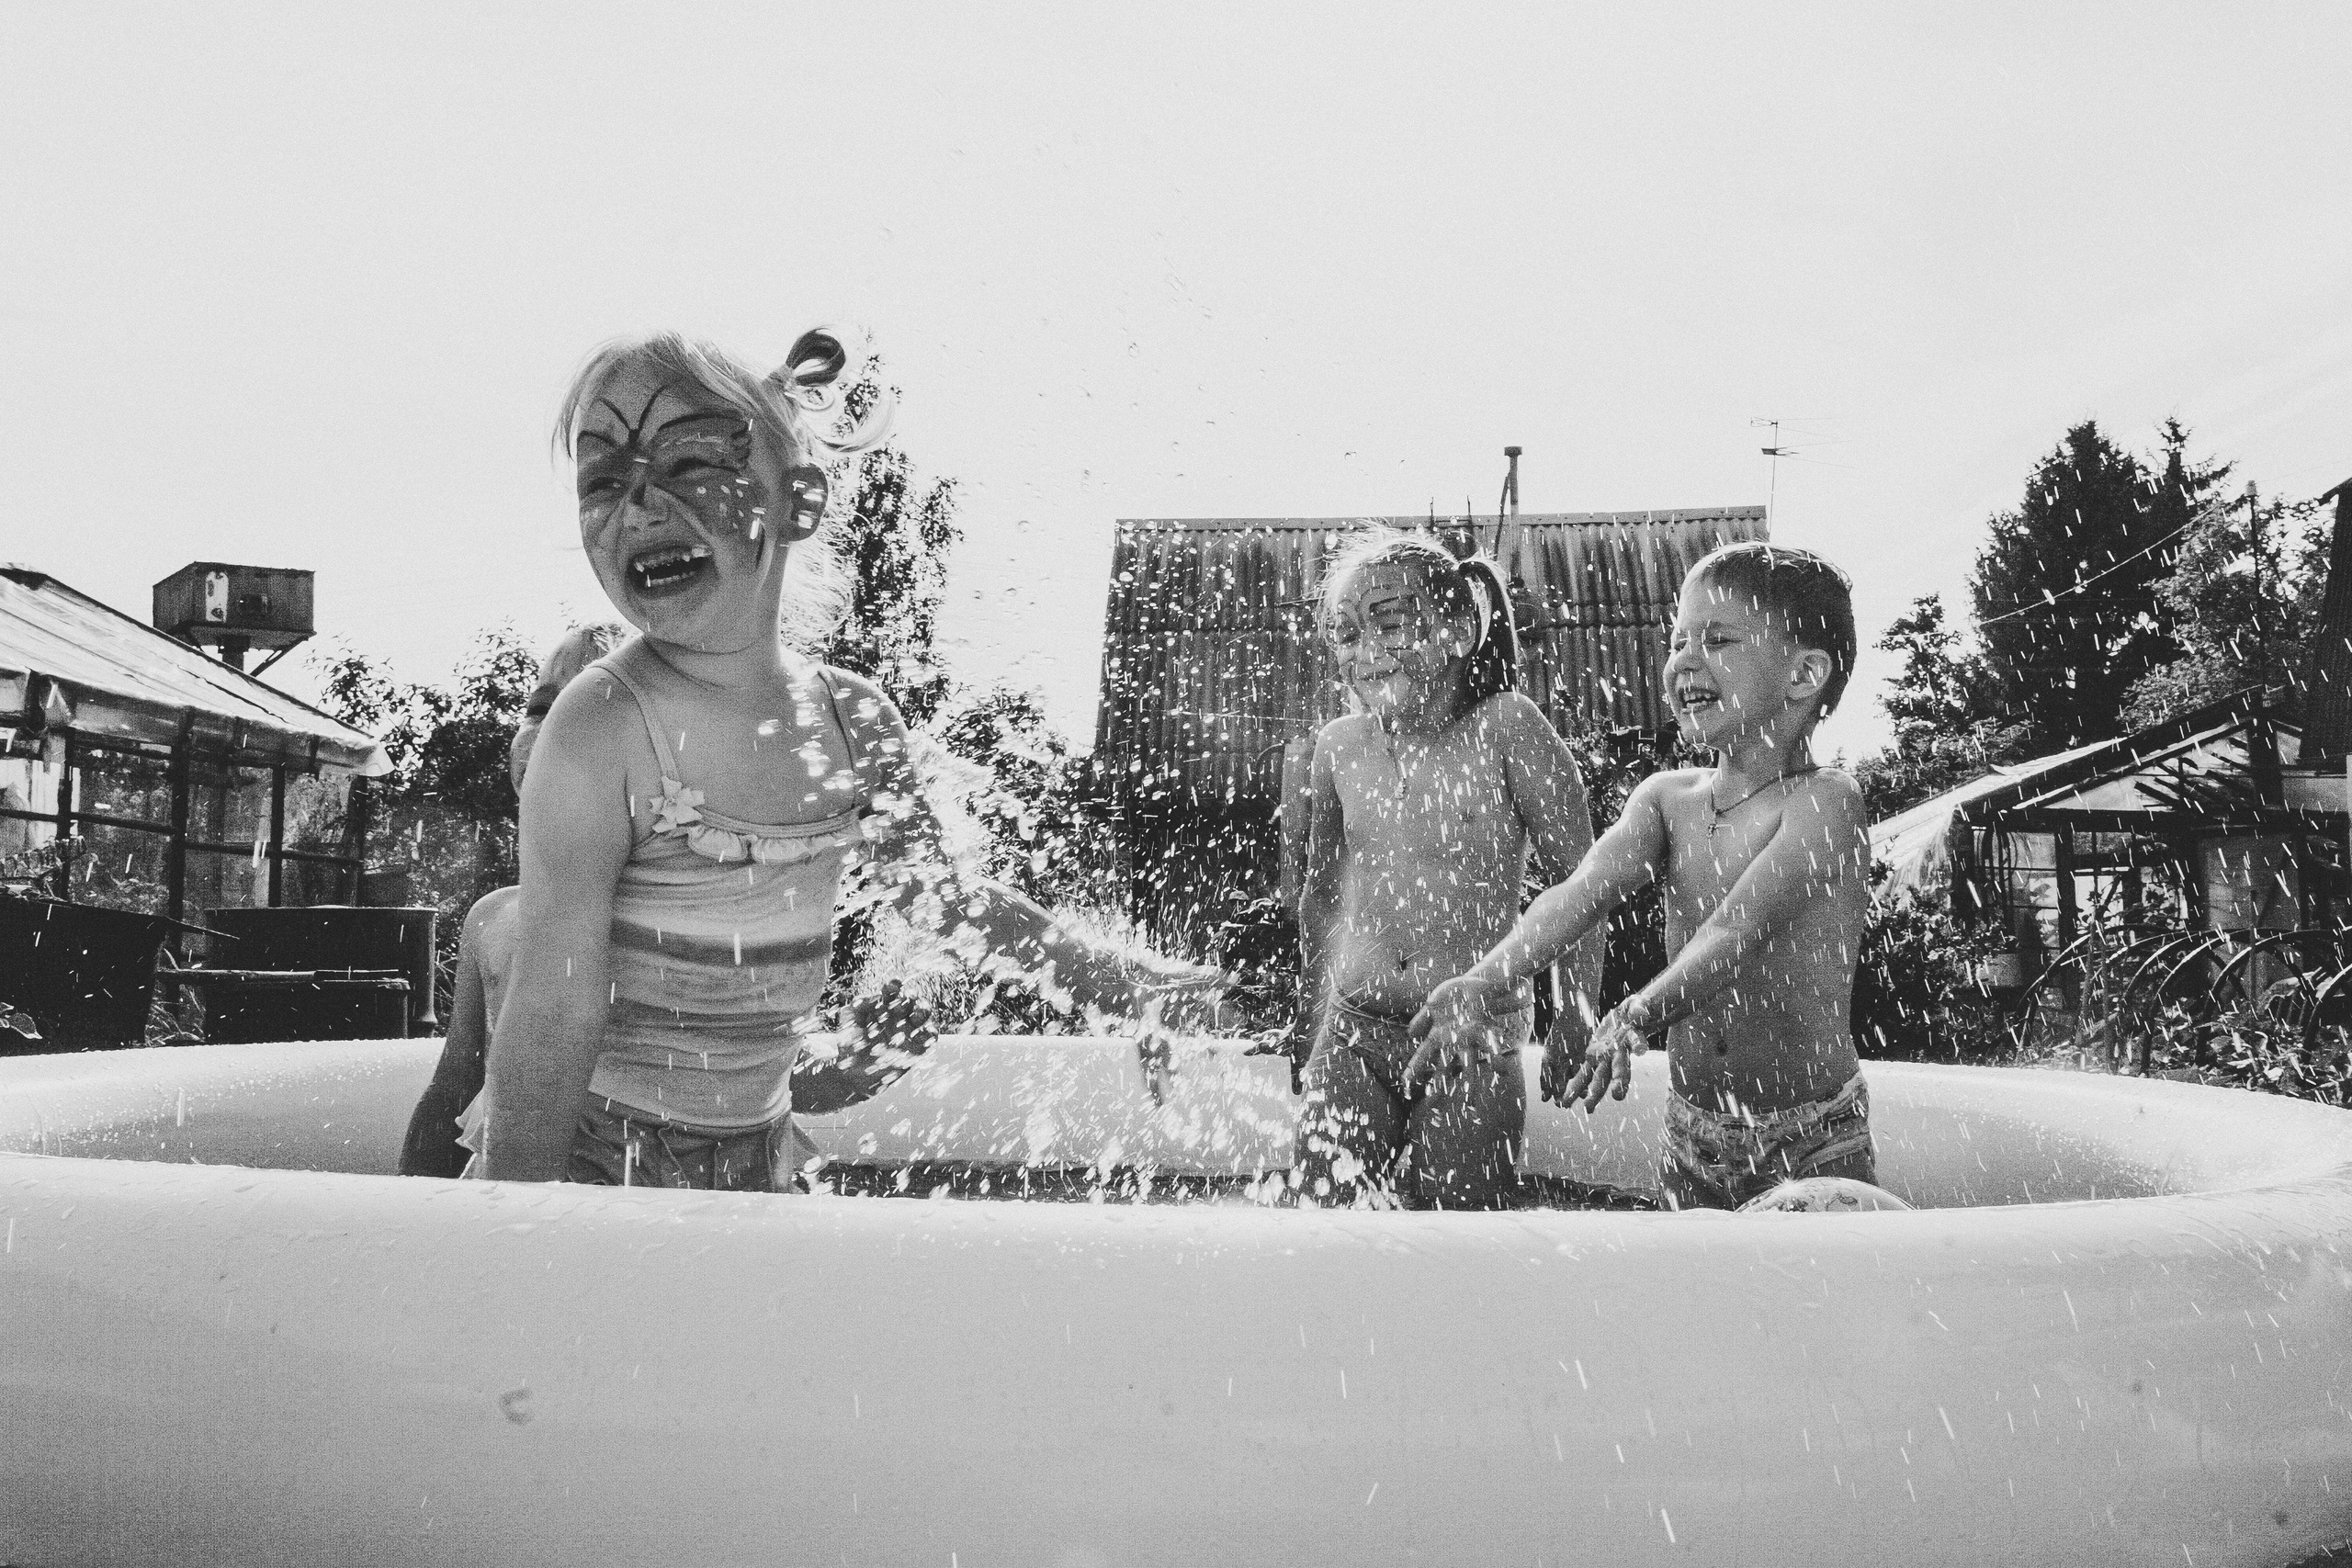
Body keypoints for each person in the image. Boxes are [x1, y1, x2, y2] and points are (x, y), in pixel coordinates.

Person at [478, 325, 1221, 1188]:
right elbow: (550, 1006)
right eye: (603, 480)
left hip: (757, 1152)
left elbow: (950, 904)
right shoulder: (601, 726)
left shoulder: (852, 719)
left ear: (796, 502)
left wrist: (1124, 983)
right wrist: (512, 1229)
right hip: (601, 1159)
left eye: (687, 466)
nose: (639, 504)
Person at [1411, 542, 1872, 1211]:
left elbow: (1733, 930)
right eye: (1678, 639)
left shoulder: (1826, 801)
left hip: (1812, 1132)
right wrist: (1488, 977)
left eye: (1718, 640)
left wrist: (1636, 1012)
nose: (1685, 660)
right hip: (1694, 1129)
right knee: (1694, 1305)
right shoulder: (1667, 800)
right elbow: (1577, 893)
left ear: (1803, 675)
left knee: (1829, 1304)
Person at [1279, 530, 1601, 1209]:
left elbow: (1583, 881)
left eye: (1387, 624)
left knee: (1460, 1240)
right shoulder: (1338, 747)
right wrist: (1310, 1017)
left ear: (1456, 631)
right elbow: (1323, 896)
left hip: (1472, 1034)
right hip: (1355, 1030)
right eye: (1343, 633)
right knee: (1318, 1228)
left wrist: (1576, 1011)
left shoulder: (1507, 728)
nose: (1360, 651)